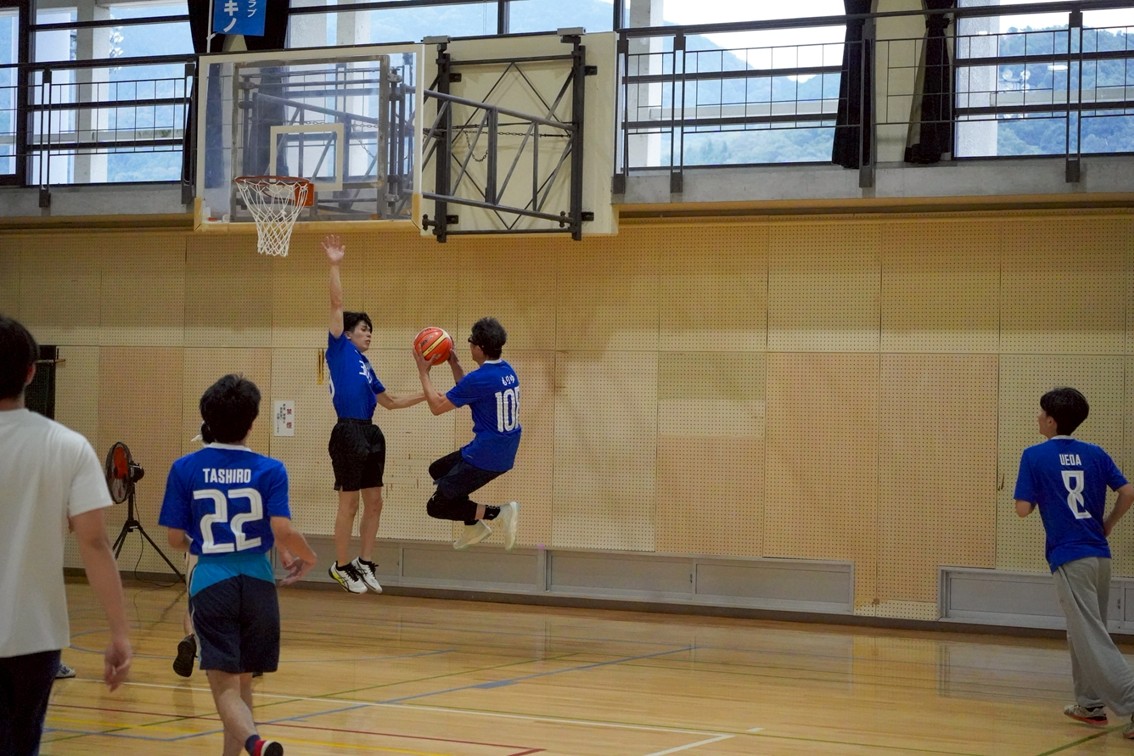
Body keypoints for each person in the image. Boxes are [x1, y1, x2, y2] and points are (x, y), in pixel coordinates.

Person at [159, 374, 316, 756]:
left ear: (207, 420)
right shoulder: (271, 469)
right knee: (244, 685)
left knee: (225, 689)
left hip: (212, 581)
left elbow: (175, 539)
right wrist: (309, 557)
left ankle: (255, 743)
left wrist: (205, 544)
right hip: (258, 583)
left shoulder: (184, 468)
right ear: (252, 421)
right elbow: (282, 529)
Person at [0, 314, 132, 755]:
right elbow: (94, 543)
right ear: (31, 372)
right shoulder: (67, 446)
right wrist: (119, 632)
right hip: (35, 638)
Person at [1013, 386, 1134, 737]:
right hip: (1099, 556)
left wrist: (1039, 493)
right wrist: (1108, 523)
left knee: (1090, 636)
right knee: (1085, 632)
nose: (1037, 417)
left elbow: (1022, 509)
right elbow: (1128, 492)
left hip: (1069, 556)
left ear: (1052, 421)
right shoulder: (1095, 453)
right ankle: (1090, 704)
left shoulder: (1034, 455)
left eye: (1041, 412)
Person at [322, 234, 424, 594]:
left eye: (370, 331)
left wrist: (427, 395)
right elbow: (337, 303)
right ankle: (341, 566)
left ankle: (364, 563)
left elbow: (390, 401)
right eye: (364, 329)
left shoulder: (367, 366)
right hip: (347, 432)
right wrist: (335, 264)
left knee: (375, 502)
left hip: (370, 432)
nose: (369, 335)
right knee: (348, 504)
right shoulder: (338, 348)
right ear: (348, 333)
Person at [413, 316, 521, 550]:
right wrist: (454, 362)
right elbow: (468, 389)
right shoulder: (507, 370)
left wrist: (423, 373)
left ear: (480, 348)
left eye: (471, 341)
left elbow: (436, 408)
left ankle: (499, 512)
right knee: (438, 470)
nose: (469, 344)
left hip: (486, 455)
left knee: (437, 506)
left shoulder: (480, 379)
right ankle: (474, 526)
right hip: (501, 449)